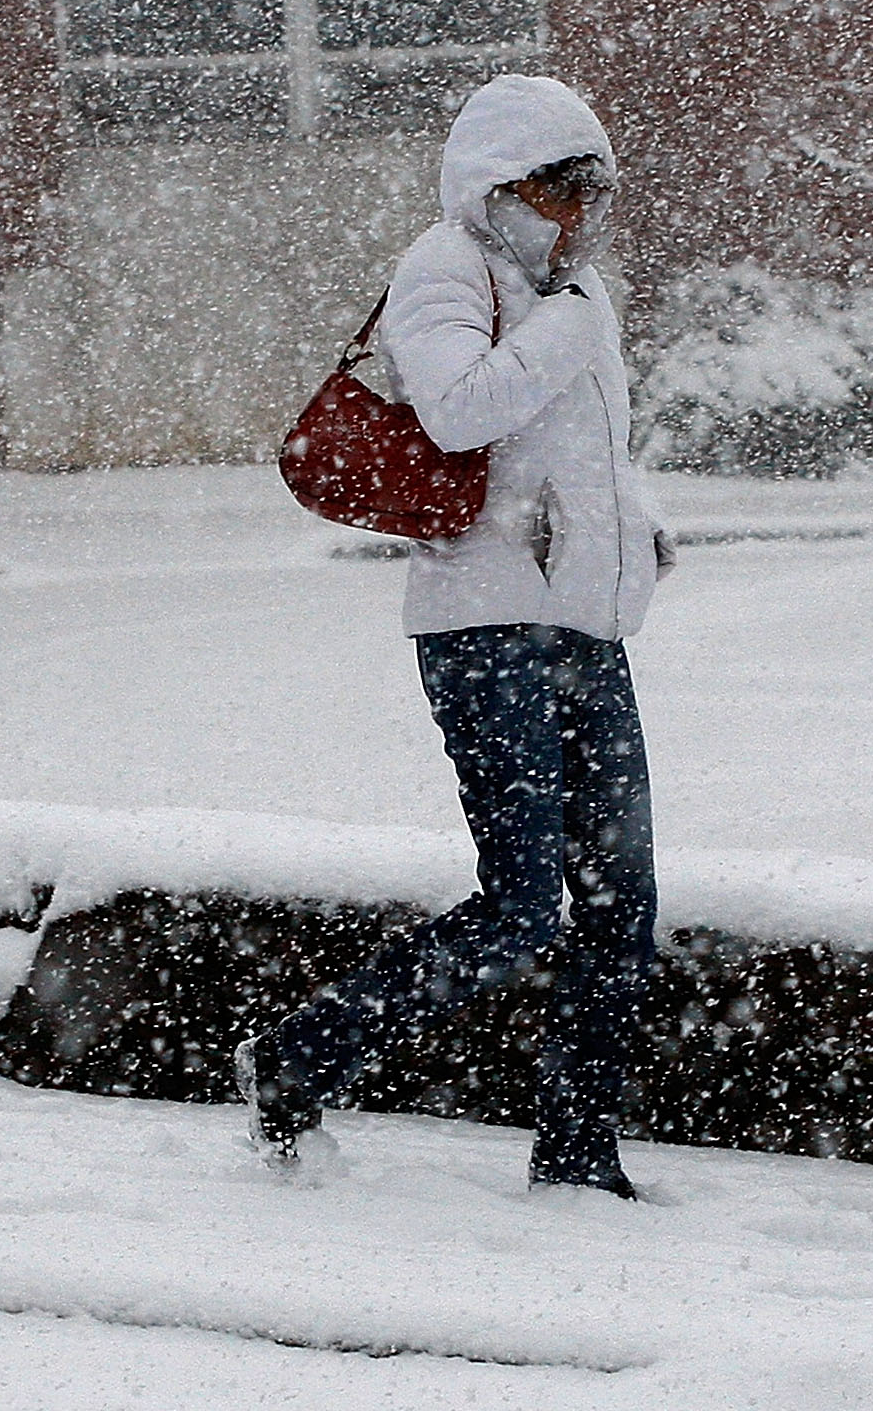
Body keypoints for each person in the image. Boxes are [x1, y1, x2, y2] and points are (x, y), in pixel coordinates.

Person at [239, 73, 672, 1197]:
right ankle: (295, 1060)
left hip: (584, 627)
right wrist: (570, 329)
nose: (577, 214)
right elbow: (459, 411)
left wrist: (638, 530)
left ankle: (580, 1161)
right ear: (500, 187)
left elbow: (586, 455)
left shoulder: (573, 293)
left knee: (623, 912)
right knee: (526, 904)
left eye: (593, 190)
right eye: (558, 188)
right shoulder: (451, 265)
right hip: (487, 629)